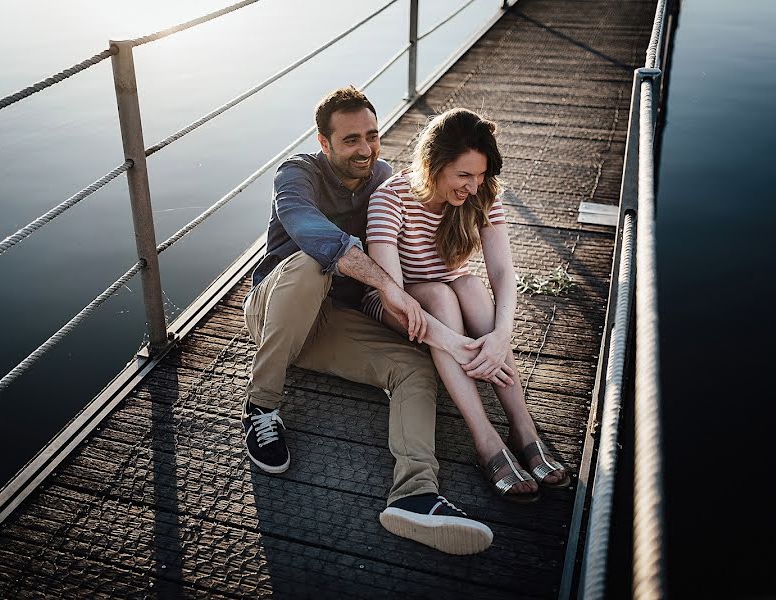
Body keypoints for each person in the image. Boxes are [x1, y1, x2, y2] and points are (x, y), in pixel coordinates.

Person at [241, 87, 493, 554]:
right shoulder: (296, 175)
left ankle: (416, 495)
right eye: (351, 139)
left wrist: (439, 299)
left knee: (414, 369)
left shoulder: (381, 178)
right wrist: (390, 289)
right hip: (274, 308)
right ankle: (262, 406)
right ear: (325, 142)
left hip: (332, 321)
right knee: (314, 260)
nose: (365, 148)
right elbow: (310, 231)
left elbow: (408, 231)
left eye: (372, 136)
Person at [362, 107, 570, 503]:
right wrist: (457, 343)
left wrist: (499, 337)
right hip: (393, 303)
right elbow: (394, 293)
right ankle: (486, 440)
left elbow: (503, 274)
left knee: (472, 285)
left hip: (448, 293)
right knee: (441, 295)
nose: (474, 187)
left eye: (480, 175)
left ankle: (523, 426)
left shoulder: (482, 193)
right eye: (464, 175)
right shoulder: (390, 200)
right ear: (432, 165)